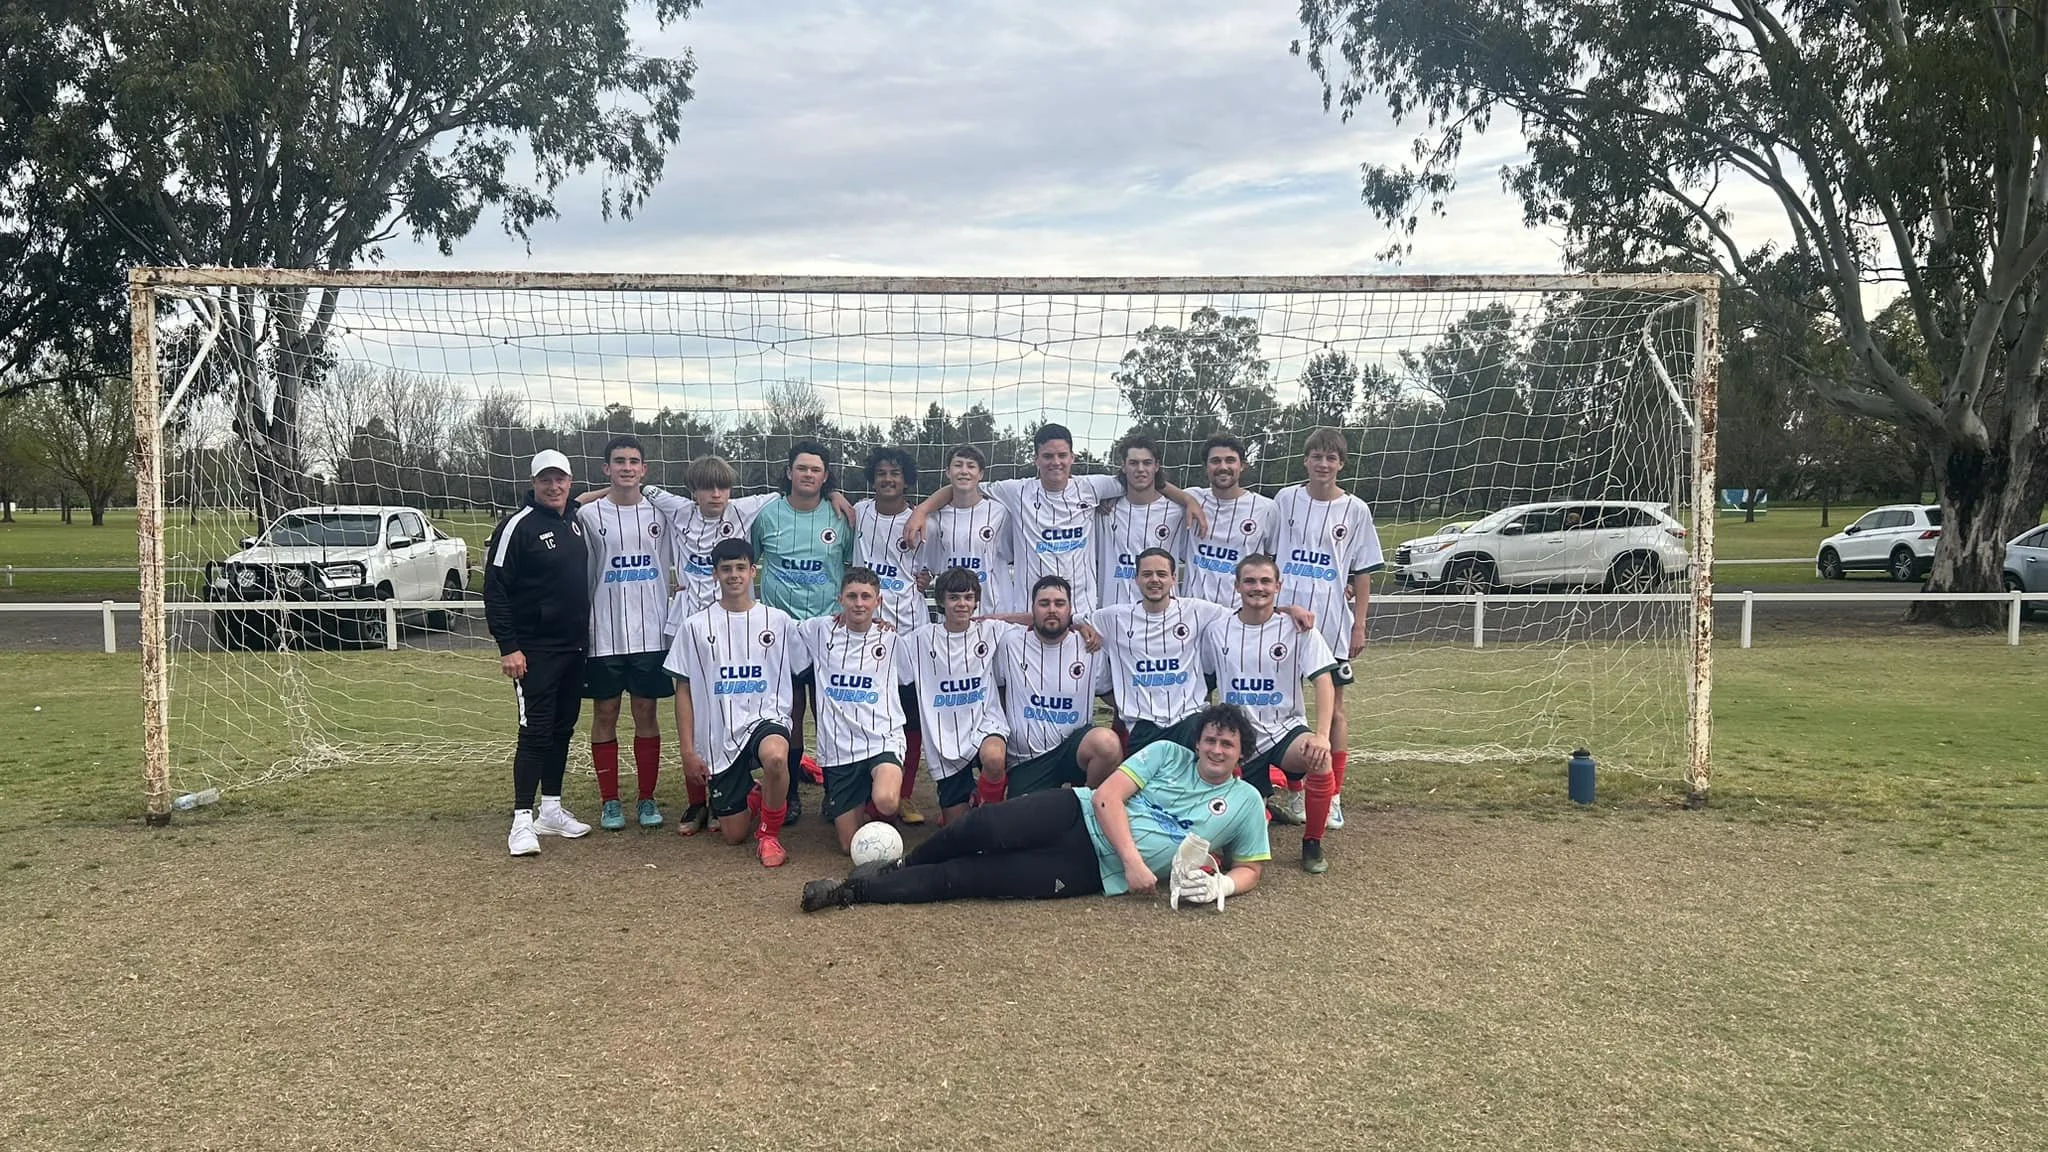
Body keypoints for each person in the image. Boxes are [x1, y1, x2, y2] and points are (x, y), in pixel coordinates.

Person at [797, 703, 1270, 911]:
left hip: (1090, 869)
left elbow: (1251, 865)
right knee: (979, 827)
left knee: (969, 879)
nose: (1216, 750)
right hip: (1075, 811)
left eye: (1227, 744)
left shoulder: (1245, 801)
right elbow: (1106, 796)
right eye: (1210, 740)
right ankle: (899, 866)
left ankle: (850, 894)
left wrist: (1222, 885)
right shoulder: (1168, 754)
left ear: (1241, 754)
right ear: (1198, 741)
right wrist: (1134, 862)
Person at [904, 423, 1208, 618]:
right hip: (1030, 611)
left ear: (1072, 457)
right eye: (1048, 456)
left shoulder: (1092, 488)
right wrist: (922, 510)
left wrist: (1188, 500)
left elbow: (1142, 478)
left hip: (1082, 610)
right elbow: (963, 485)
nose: (1056, 462)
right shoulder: (1016, 491)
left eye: (1062, 455)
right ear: (1036, 459)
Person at [1087, 548, 1313, 754]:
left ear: (1173, 578)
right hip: (1142, 724)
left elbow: (1249, 611)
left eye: (1162, 574)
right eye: (1147, 574)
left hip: (1189, 719)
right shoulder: (1112, 617)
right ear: (1136, 578)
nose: (1155, 580)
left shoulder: (1197, 610)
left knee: (1212, 767)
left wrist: (1287, 609)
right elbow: (1072, 621)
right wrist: (1084, 629)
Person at [662, 539, 802, 867]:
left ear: (753, 571)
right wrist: (688, 751)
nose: (734, 575)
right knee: (733, 834)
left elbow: (821, 642)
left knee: (776, 758)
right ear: (715, 574)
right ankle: (753, 794)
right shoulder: (695, 626)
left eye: (741, 568)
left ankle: (769, 835)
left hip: (766, 718)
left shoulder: (778, 621)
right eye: (726, 569)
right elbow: (684, 691)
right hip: (720, 735)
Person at [1271, 427, 1383, 833]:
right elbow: (1267, 555)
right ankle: (1295, 790)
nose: (1323, 464)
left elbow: (1363, 572)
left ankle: (1332, 794)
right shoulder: (1285, 500)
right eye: (1316, 456)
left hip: (1333, 624)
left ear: (1341, 464)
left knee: (1333, 711)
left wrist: (1360, 624)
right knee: (1282, 708)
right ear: (1306, 461)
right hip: (1283, 623)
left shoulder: (1355, 509)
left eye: (1331, 458)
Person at [484, 448, 594, 857]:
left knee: (562, 729)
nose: (553, 486)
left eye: (560, 479)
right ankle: (521, 821)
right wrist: (509, 647)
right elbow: (494, 588)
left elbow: (584, 499)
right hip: (534, 652)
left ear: (569, 482)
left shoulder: (573, 518)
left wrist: (621, 487)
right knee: (535, 732)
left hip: (573, 648)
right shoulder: (518, 526)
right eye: (545, 479)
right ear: (533, 483)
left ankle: (551, 810)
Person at [1201, 554, 1340, 873]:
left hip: (1284, 729)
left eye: (1266, 581)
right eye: (1249, 581)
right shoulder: (1217, 630)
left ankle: (1312, 842)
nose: (1258, 587)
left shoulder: (1298, 628)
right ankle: (1261, 808)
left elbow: (1323, 680)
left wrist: (1322, 735)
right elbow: (1205, 681)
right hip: (1238, 739)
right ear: (1236, 586)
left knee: (1320, 759)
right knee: (1234, 854)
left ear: (1278, 586)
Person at [751, 439, 857, 826]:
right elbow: (747, 561)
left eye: (815, 469)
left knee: (831, 714)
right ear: (789, 472)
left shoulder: (840, 516)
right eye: (802, 468)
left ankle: (835, 794)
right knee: (790, 712)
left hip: (829, 631)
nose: (808, 475)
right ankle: (790, 793)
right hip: (780, 633)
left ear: (825, 477)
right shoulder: (768, 516)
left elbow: (853, 569)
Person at [575, 435, 676, 831]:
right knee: (606, 712)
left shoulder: (662, 512)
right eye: (619, 461)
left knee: (646, 711)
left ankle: (647, 798)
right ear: (607, 468)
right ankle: (610, 801)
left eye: (634, 461)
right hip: (604, 630)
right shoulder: (589, 514)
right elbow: (568, 504)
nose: (627, 467)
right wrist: (598, 493)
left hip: (651, 630)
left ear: (644, 469)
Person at [795, 569, 908, 853]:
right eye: (852, 596)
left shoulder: (892, 639)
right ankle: (860, 803)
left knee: (887, 801)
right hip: (839, 748)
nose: (859, 603)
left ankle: (878, 805)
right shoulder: (819, 630)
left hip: (882, 739)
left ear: (878, 601)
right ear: (840, 599)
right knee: (850, 846)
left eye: (866, 597)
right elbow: (778, 628)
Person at [896, 567, 1012, 826]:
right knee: (956, 828)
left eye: (968, 597)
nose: (962, 604)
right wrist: (877, 625)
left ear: (976, 601)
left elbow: (1034, 621)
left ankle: (988, 814)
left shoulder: (991, 630)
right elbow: (886, 652)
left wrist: (1077, 623)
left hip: (985, 723)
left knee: (995, 759)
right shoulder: (920, 639)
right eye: (954, 598)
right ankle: (967, 801)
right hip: (944, 737)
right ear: (941, 601)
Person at [850, 447, 927, 824]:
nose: (888, 479)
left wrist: (925, 578)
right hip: (864, 633)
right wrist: (834, 494)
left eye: (895, 473)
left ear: (906, 479)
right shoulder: (858, 512)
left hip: (909, 633)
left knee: (910, 717)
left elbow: (932, 570)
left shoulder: (925, 522)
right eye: (881, 473)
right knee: (868, 711)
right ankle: (863, 792)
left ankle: (905, 794)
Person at [992, 575, 1121, 797]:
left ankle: (1085, 803)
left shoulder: (1090, 647)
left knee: (1107, 744)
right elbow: (998, 691)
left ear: (1070, 610)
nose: (1052, 610)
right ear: (1033, 609)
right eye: (1044, 603)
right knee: (1027, 819)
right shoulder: (1010, 643)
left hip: (1074, 750)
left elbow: (1111, 696)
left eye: (1059, 603)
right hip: (1028, 759)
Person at [1179, 432, 1279, 610]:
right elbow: (1157, 486)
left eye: (1230, 460)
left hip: (1240, 614)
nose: (1223, 467)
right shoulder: (1192, 497)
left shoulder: (1266, 508)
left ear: (1242, 465)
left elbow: (1271, 558)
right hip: (1192, 612)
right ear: (1206, 466)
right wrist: (1187, 500)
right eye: (1215, 461)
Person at [915, 444, 1015, 616]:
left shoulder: (1000, 512)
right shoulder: (935, 518)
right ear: (948, 472)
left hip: (994, 611)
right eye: (958, 465)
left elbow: (1011, 555)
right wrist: (924, 577)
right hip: (953, 615)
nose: (964, 471)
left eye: (971, 466)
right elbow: (931, 566)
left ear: (980, 474)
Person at [1095, 433, 1184, 609]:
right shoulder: (1104, 511)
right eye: (1134, 463)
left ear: (1156, 466)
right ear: (1123, 466)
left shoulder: (1177, 512)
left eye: (1147, 463)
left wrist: (1189, 501)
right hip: (1115, 613)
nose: (1140, 469)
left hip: (1163, 614)